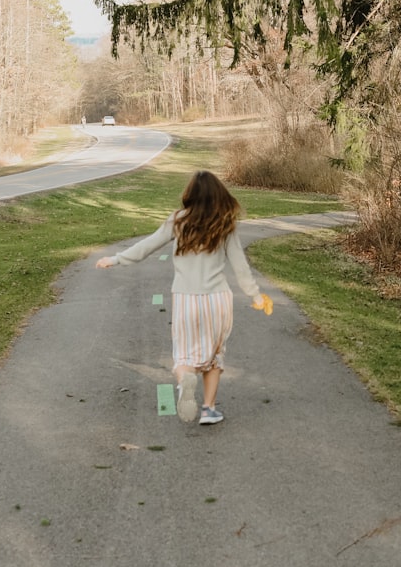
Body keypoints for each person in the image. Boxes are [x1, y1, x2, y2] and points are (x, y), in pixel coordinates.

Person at [96, 171, 273, 425]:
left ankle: (185, 379)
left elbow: (147, 246)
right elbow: (240, 266)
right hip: (217, 299)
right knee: (214, 356)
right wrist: (255, 295)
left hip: (186, 298)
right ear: (219, 194)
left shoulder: (177, 221)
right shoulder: (225, 224)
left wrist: (115, 259)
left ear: (190, 194)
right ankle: (208, 409)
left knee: (184, 355)